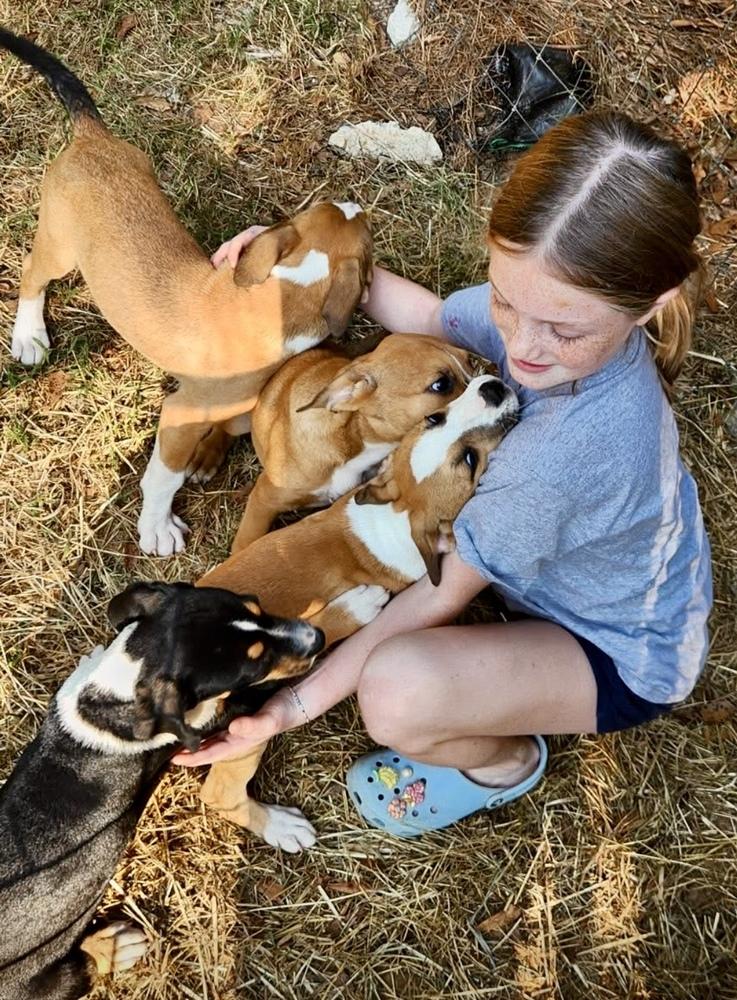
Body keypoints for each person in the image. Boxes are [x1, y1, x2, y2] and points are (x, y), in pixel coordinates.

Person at [175, 110, 712, 838]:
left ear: (650, 303)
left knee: (396, 694)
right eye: (503, 301)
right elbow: (428, 316)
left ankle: (507, 763)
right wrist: (298, 266)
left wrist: (289, 708)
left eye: (562, 329)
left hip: (615, 652)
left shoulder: (555, 464)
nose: (521, 347)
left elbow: (435, 595)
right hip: (578, 560)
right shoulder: (552, 306)